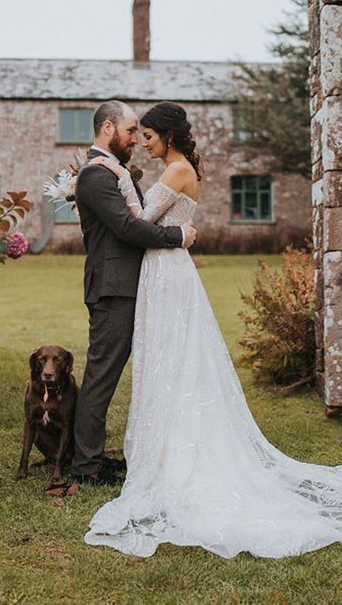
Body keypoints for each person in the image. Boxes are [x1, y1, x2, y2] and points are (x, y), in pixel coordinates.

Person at [83, 101, 342, 558]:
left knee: (173, 360)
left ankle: (176, 459)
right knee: (169, 360)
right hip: (164, 271)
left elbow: (136, 222)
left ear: (169, 137)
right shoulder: (177, 169)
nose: (143, 142)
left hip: (167, 271)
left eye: (150, 136)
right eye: (138, 134)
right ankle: (162, 454)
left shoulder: (176, 171)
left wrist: (119, 179)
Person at [71, 100, 196, 486]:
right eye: (129, 131)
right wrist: (177, 236)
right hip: (113, 288)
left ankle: (96, 457)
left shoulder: (116, 172)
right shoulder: (95, 176)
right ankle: (86, 466)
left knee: (119, 373)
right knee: (101, 375)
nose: (134, 140)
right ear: (108, 128)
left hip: (131, 285)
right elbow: (127, 226)